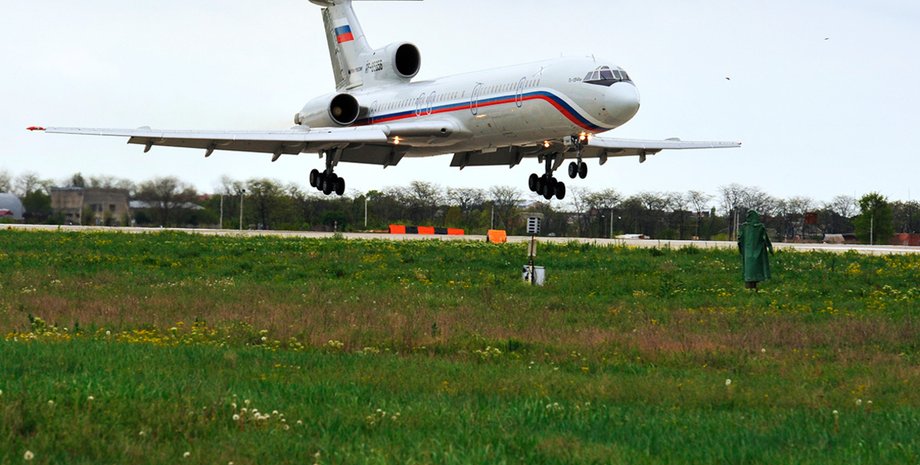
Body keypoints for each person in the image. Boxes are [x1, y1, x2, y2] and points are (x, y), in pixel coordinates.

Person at [738, 210, 774, 290]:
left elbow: (739, 239)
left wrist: (741, 249)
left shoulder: (744, 227)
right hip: (758, 251)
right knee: (757, 269)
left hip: (747, 252)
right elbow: (766, 239)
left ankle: (749, 287)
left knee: (748, 270)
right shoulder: (760, 227)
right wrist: (770, 248)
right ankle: (755, 287)